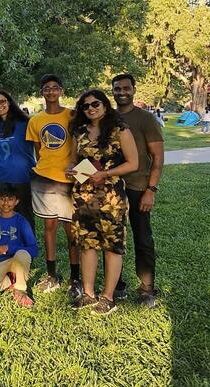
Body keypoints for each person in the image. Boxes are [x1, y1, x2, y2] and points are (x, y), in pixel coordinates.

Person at [67, 90, 139, 316]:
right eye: (85, 106)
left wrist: (106, 174)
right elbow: (73, 161)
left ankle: (108, 297)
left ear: (105, 105)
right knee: (87, 244)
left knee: (111, 245)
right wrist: (72, 171)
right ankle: (88, 294)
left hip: (110, 196)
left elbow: (133, 163)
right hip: (84, 194)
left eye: (95, 103)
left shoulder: (120, 130)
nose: (90, 108)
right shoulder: (79, 132)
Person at [112, 74, 164, 307]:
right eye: (117, 88)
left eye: (126, 88)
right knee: (113, 238)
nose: (121, 92)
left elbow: (158, 156)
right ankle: (117, 284)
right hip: (112, 188)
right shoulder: (107, 118)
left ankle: (146, 288)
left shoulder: (145, 119)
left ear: (133, 90)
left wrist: (151, 189)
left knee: (143, 239)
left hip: (138, 187)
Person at [26, 74, 81, 296]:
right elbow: (39, 149)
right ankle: (52, 275)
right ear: (42, 92)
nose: (50, 91)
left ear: (61, 91)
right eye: (46, 88)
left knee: (71, 230)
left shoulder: (72, 116)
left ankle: (75, 279)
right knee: (49, 228)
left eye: (55, 88)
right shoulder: (35, 120)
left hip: (69, 180)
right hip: (44, 180)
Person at [0, 89, 37, 234]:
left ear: (9, 102)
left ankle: (27, 251)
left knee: (25, 217)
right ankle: (10, 250)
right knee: (6, 217)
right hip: (3, 178)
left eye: (2, 101)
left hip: (23, 177)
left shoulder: (25, 122)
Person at [0, 184, 38, 307]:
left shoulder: (21, 221)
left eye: (10, 199)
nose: (6, 203)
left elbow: (33, 249)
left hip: (16, 260)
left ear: (16, 201)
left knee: (23, 254)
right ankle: (10, 280)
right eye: (2, 198)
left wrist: (9, 248)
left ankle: (20, 289)